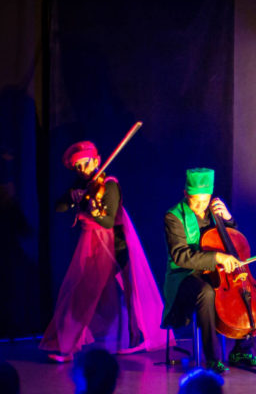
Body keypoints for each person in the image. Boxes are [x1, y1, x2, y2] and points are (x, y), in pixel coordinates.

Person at [40, 141, 166, 362]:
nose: (82, 170)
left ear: (96, 161)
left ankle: (137, 338)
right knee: (80, 292)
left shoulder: (109, 185)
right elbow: (58, 206)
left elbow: (108, 221)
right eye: (77, 167)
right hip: (92, 244)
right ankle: (68, 345)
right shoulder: (81, 185)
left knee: (130, 292)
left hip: (115, 244)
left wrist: (93, 209)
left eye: (85, 164)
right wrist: (73, 197)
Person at [162, 168, 256, 373]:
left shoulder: (215, 212)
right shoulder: (173, 217)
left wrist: (228, 220)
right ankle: (212, 358)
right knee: (206, 292)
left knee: (251, 295)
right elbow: (181, 256)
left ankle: (241, 351)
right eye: (196, 201)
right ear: (186, 194)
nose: (201, 206)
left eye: (205, 200)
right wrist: (217, 257)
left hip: (217, 274)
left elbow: (234, 242)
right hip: (185, 276)